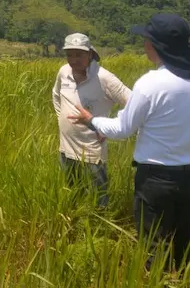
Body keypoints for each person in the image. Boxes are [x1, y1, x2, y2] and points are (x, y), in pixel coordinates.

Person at [69, 13, 190, 286]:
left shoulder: (151, 84)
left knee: (155, 245)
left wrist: (92, 121)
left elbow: (122, 129)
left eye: (147, 40)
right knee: (188, 241)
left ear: (158, 45)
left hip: (156, 180)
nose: (144, 45)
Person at [52, 32, 131, 208]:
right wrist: (61, 119)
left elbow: (133, 104)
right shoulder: (64, 72)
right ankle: (76, 225)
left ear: (89, 54)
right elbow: (56, 96)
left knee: (99, 198)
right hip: (66, 148)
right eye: (69, 55)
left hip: (92, 150)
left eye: (78, 55)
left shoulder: (104, 78)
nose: (73, 60)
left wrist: (108, 127)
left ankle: (101, 230)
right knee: (72, 195)